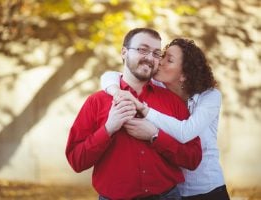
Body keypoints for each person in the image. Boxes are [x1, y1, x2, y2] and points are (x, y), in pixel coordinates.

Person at [66, 28, 202, 200]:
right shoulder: (97, 102)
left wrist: (155, 136)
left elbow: (193, 158)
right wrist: (108, 129)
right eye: (142, 49)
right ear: (124, 52)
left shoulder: (173, 102)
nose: (150, 57)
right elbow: (76, 161)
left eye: (156, 53)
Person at [100, 38, 230, 200]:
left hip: (206, 189)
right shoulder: (157, 86)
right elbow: (111, 75)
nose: (159, 62)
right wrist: (116, 92)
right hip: (170, 191)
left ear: (184, 75)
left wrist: (146, 114)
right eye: (162, 56)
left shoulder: (209, 96)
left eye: (169, 60)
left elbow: (185, 132)